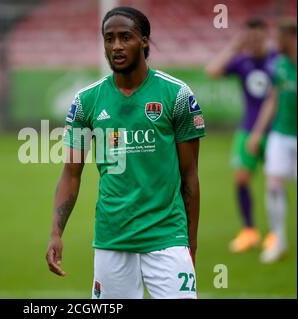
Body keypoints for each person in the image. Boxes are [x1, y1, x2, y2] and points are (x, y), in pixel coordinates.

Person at [45, 6, 206, 299]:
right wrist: (56, 233)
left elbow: (190, 177)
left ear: (144, 41)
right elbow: (71, 173)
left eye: (125, 37)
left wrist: (190, 245)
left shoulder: (177, 95)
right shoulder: (86, 102)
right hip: (112, 240)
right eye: (109, 38)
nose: (116, 46)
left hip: (167, 239)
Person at [205, 18, 277, 253]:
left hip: (274, 132)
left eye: (258, 37)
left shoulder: (277, 60)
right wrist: (234, 46)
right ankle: (249, 231)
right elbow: (212, 71)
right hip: (247, 129)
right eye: (250, 38)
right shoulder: (242, 60)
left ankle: (276, 233)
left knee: (273, 183)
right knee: (242, 179)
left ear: (266, 36)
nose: (254, 42)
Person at [247, 18, 297, 264]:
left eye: (279, 37)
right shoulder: (280, 66)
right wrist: (257, 132)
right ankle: (278, 240)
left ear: (290, 38)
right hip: (280, 134)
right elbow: (272, 100)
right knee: (274, 184)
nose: (275, 42)